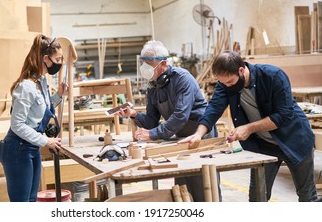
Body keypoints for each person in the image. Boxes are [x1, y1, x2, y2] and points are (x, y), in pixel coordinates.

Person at [179, 51, 318, 202]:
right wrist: (199, 134)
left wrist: (248, 128)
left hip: (294, 139)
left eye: (231, 82)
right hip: (264, 146)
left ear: (241, 70)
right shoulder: (225, 84)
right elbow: (213, 109)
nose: (227, 86)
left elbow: (283, 116)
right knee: (257, 198)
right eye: (224, 83)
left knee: (307, 197)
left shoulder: (273, 76)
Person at [118, 40, 220, 202]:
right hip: (179, 138)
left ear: (163, 63)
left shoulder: (182, 79)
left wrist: (152, 134)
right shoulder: (153, 86)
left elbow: (180, 116)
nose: (144, 68)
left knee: (205, 187)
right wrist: (134, 115)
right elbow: (152, 120)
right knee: (183, 187)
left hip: (201, 136)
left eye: (148, 64)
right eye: (142, 63)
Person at [0, 35, 68, 202]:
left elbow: (43, 108)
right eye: (57, 59)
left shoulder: (41, 82)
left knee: (31, 200)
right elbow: (17, 125)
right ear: (45, 58)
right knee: (22, 204)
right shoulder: (26, 87)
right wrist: (46, 141)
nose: (59, 63)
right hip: (17, 149)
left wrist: (58, 95)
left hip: (31, 147)